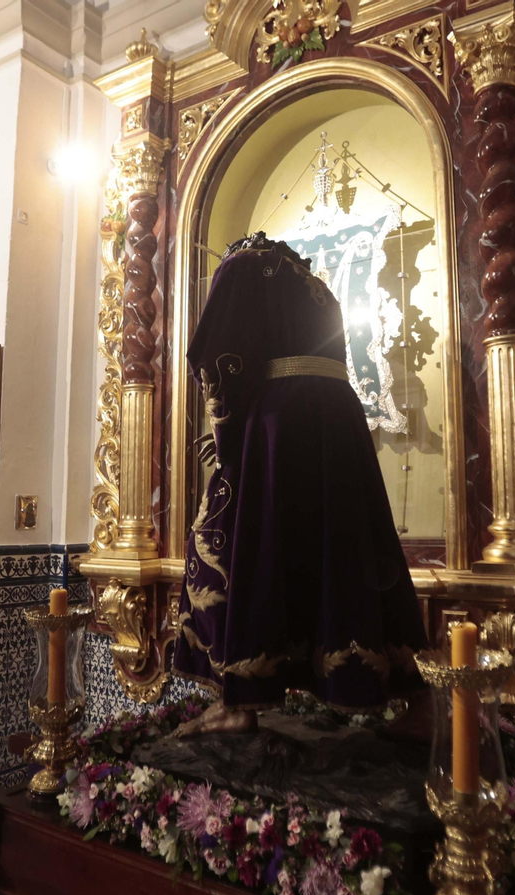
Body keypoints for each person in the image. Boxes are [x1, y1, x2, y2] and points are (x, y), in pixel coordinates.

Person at [171, 233, 429, 737]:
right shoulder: (313, 283)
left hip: (279, 424)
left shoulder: (244, 263)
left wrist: (228, 439)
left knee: (246, 543)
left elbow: (218, 354)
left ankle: (240, 701)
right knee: (352, 540)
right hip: (337, 420)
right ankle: (416, 700)